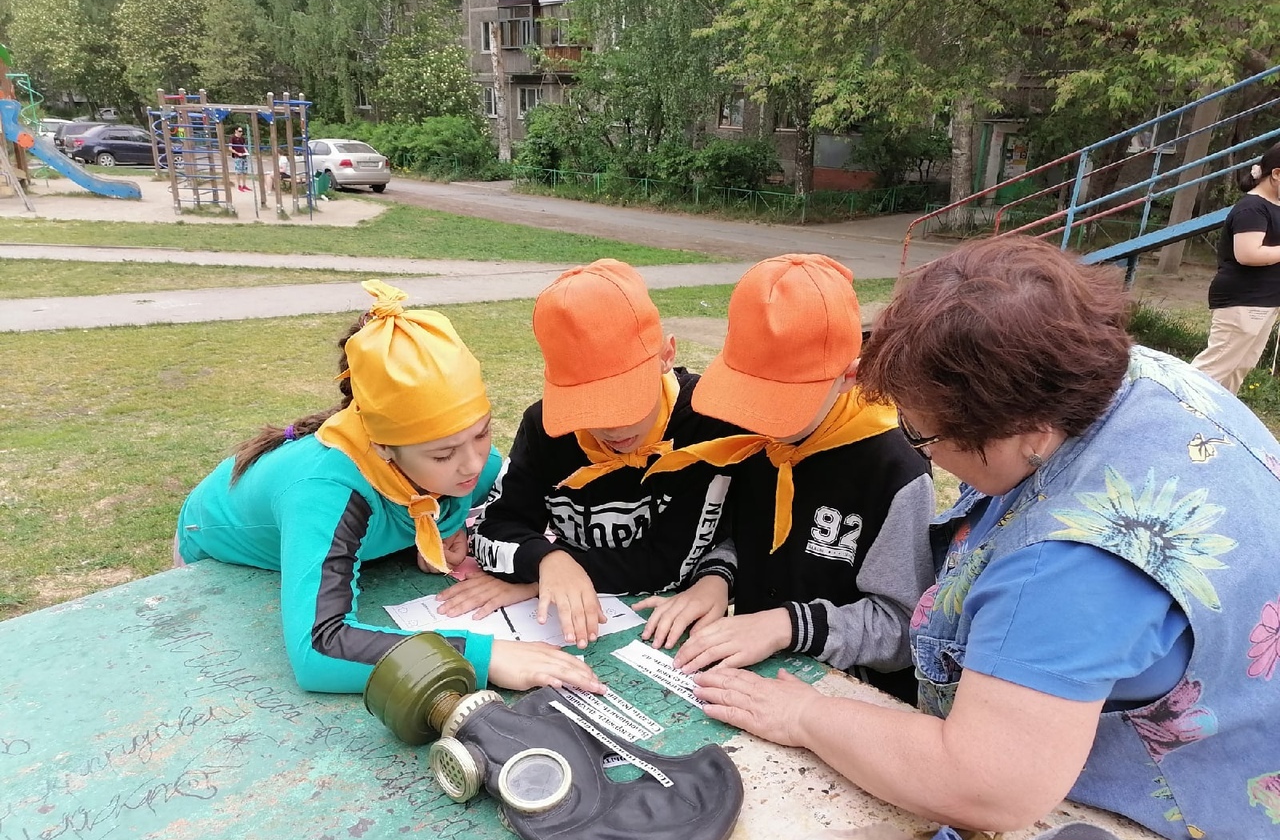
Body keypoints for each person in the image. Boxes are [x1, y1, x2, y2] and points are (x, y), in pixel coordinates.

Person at [694, 236, 1280, 840]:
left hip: (1216, 825)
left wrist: (802, 714)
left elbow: (985, 785)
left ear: (1027, 432)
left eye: (923, 433)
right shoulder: (1132, 377)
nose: (921, 449)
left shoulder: (1068, 570)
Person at [175, 280, 602, 696]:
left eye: (482, 433)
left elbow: (510, 506)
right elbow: (318, 649)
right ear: (383, 447)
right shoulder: (323, 493)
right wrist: (485, 658)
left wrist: (449, 528)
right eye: (442, 455)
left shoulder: (473, 465)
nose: (473, 463)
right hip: (217, 561)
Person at [640, 254, 935, 702]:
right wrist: (716, 579)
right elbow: (744, 535)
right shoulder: (756, 435)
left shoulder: (895, 472)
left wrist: (788, 624)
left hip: (850, 697)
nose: (760, 417)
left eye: (781, 401)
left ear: (849, 376)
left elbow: (902, 628)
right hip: (759, 675)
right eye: (751, 393)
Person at [444, 259, 737, 647]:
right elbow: (494, 527)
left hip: (662, 620)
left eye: (625, 402)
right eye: (588, 408)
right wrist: (548, 562)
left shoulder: (706, 425)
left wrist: (542, 579)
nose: (613, 428)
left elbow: (670, 563)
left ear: (666, 355)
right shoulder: (546, 426)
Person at [1190, 142, 1280, 393]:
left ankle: (1216, 422)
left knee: (1238, 368)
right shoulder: (1252, 208)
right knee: (1212, 369)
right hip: (1243, 301)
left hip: (1264, 302)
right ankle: (1171, 415)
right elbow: (1248, 253)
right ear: (1276, 174)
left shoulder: (1274, 206)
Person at [229, 126, 250, 192]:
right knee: (238, 172)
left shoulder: (242, 138)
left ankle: (244, 185)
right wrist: (237, 153)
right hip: (238, 156)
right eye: (239, 131)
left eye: (241, 131)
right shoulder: (232, 138)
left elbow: (243, 146)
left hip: (244, 156)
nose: (241, 133)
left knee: (244, 172)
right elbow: (230, 148)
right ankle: (239, 185)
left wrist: (246, 151)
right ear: (236, 131)